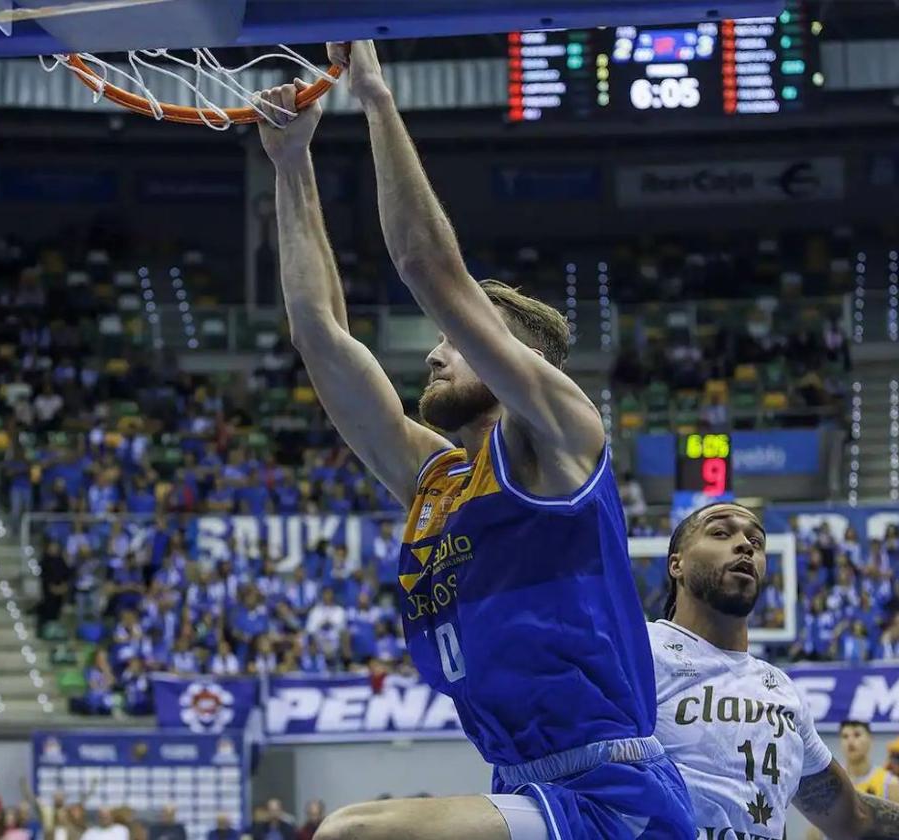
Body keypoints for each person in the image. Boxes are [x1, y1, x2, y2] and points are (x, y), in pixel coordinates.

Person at [256, 40, 694, 840]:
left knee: (352, 834)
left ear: (507, 354)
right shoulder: (438, 479)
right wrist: (291, 163)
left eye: (452, 343)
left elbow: (428, 264)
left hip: (614, 792)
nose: (432, 351)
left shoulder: (561, 442)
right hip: (523, 786)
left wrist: (374, 95)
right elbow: (319, 336)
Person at [652, 501, 899, 840]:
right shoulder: (638, 652)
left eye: (756, 541)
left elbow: (854, 818)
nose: (745, 545)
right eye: (720, 533)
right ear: (676, 564)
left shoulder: (780, 691)